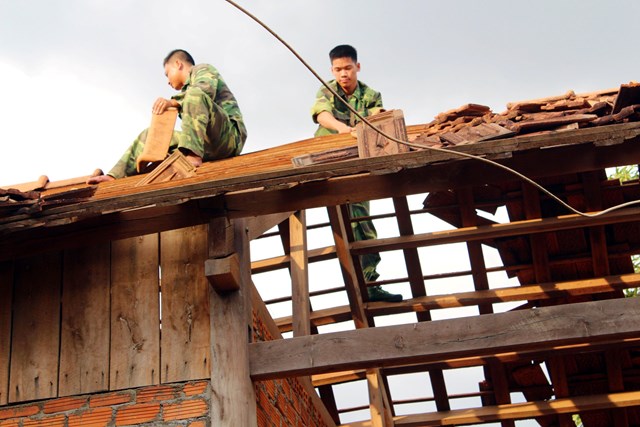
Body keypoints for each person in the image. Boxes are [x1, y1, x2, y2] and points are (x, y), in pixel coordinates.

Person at [310, 44, 402, 303]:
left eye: (348, 68)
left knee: (362, 226)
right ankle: (351, 287)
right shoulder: (327, 90)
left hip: (357, 166)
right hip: (327, 163)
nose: (343, 74)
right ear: (332, 70)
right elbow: (322, 115)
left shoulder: (371, 95)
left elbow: (376, 121)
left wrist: (361, 130)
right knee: (337, 229)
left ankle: (369, 284)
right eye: (338, 69)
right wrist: (343, 130)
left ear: (357, 67)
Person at [88, 49, 247, 183]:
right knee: (151, 134)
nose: (167, 81)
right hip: (206, 144)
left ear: (178, 64)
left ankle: (192, 155)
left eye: (167, 74)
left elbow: (204, 90)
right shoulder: (187, 95)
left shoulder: (202, 70)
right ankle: (114, 175)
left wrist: (173, 102)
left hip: (229, 139)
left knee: (194, 94)